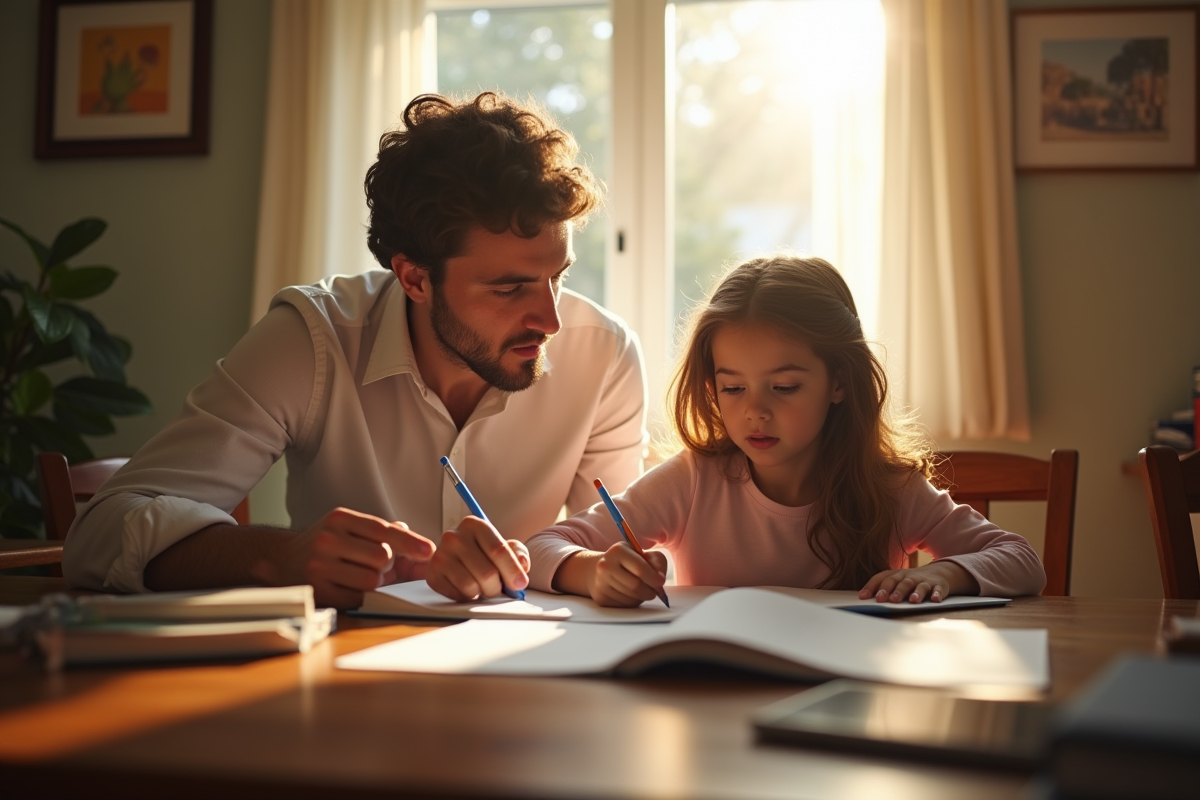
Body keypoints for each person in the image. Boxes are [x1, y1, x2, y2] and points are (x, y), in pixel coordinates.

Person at [62, 92, 648, 609]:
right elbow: (98, 534)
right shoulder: (312, 339)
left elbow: (613, 551)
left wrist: (589, 569)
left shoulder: (605, 356)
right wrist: (281, 558)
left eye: (558, 277)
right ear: (414, 279)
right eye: (509, 288)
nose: (550, 318)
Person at [435, 255, 1045, 607]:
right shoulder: (695, 480)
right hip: (714, 699)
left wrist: (942, 571)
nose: (755, 412)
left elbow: (1021, 560)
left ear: (839, 381)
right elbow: (542, 547)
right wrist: (594, 571)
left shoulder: (887, 487)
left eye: (784, 388)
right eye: (732, 388)